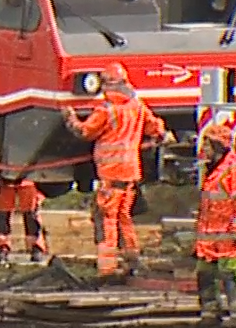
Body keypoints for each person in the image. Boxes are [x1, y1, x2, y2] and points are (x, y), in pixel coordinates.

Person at [63, 62, 171, 280]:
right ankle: (132, 261)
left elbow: (84, 132)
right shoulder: (137, 105)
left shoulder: (105, 109)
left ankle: (107, 268)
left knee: (106, 220)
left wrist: (69, 117)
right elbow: (155, 128)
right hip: (131, 173)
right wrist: (163, 134)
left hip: (111, 174)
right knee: (124, 218)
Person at [195, 121, 236, 325]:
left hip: (227, 237)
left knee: (230, 274)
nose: (203, 149)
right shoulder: (213, 170)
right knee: (205, 273)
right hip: (210, 238)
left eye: (207, 144)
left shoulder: (234, 170)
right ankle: (210, 311)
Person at [0, 177, 48, 264]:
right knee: (1, 215)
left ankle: (36, 248)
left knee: (31, 215)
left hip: (29, 179)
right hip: (4, 180)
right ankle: (2, 248)